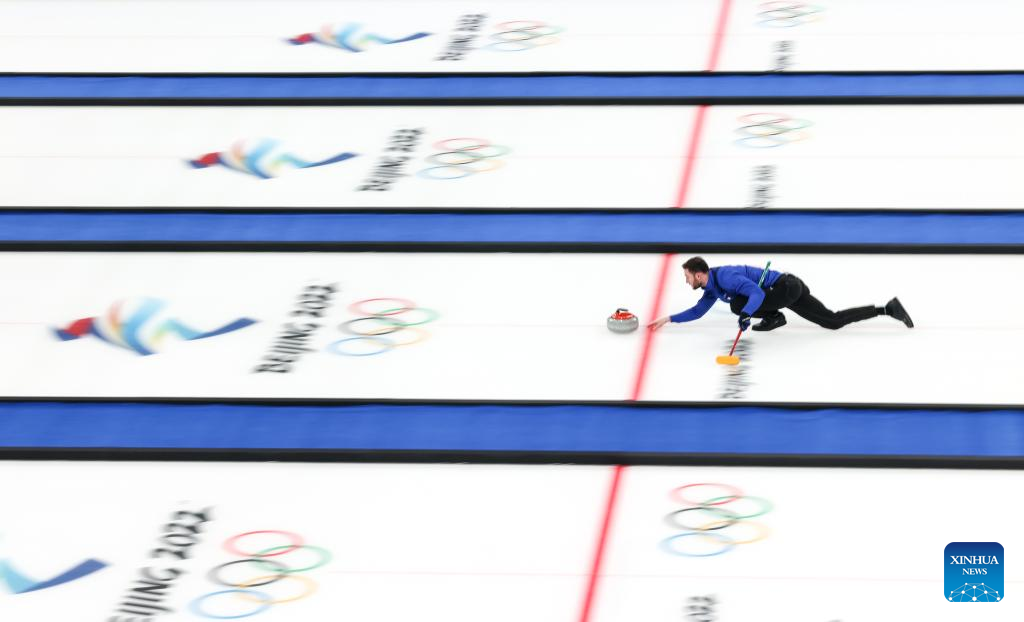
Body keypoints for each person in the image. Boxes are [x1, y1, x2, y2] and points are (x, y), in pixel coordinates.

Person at [647, 256, 913, 333]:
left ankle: (775, 317)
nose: (686, 281)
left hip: (784, 287)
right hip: (786, 289)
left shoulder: (726, 276)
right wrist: (669, 319)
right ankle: (887, 309)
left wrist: (747, 314)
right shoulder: (711, 287)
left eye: (687, 276)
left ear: (699, 274)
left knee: (738, 304)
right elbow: (698, 311)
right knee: (832, 322)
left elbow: (755, 293)